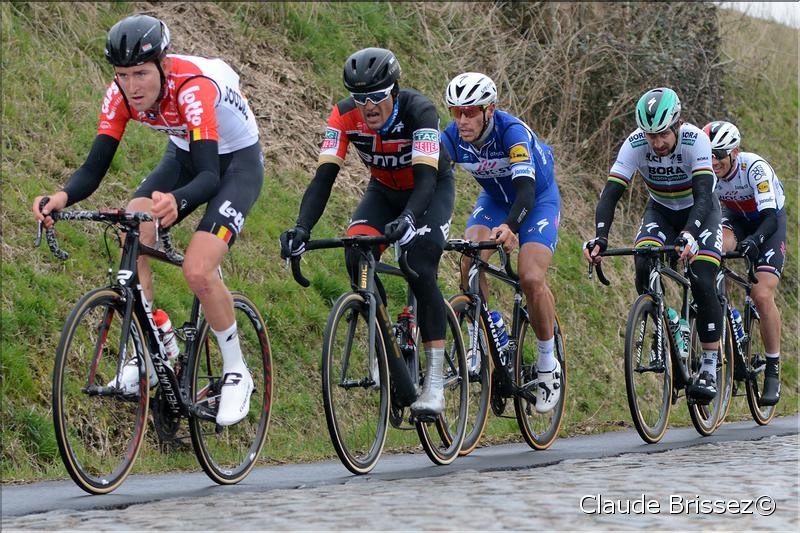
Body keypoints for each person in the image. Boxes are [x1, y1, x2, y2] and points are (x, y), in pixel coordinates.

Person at [32, 14, 264, 426]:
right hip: (184, 151)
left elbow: (210, 176)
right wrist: (59, 198)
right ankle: (157, 342)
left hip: (235, 163)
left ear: (165, 65)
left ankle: (236, 371)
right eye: (123, 75)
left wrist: (178, 200)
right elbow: (94, 166)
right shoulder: (119, 93)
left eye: (141, 73)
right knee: (133, 229)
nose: (132, 86)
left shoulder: (192, 87)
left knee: (198, 269)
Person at [279, 48, 455, 416]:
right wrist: (301, 228)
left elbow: (425, 182)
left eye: (376, 97)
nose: (368, 107)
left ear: (394, 91)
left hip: (429, 190)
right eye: (360, 99)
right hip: (382, 191)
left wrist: (409, 220)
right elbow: (323, 179)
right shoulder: (344, 116)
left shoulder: (419, 111)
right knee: (355, 250)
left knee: (419, 263)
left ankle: (435, 382)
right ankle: (386, 345)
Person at [583, 87, 723, 403]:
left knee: (701, 276)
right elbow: (610, 195)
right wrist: (601, 237)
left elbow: (703, 195)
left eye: (662, 134)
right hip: (660, 210)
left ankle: (711, 365)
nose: (657, 143)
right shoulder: (634, 144)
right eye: (650, 136)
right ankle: (670, 318)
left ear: (676, 125)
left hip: (700, 211)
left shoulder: (695, 141)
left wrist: (689, 234)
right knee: (644, 263)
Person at [440, 72, 562, 414]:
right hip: (494, 199)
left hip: (536, 199)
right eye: (456, 112)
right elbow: (428, 178)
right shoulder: (451, 137)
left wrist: (511, 227)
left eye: (470, 112)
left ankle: (547, 362)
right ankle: (488, 328)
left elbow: (524, 191)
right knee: (469, 258)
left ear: (489, 109)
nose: (462, 120)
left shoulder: (513, 133)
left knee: (531, 277)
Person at [703, 120, 786, 405]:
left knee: (761, 295)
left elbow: (771, 217)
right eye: (709, 155)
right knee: (716, 250)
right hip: (734, 220)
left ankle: (773, 369)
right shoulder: (707, 171)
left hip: (768, 221)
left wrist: (755, 241)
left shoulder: (754, 168)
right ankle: (726, 311)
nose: (714, 162)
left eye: (720, 155)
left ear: (735, 152)